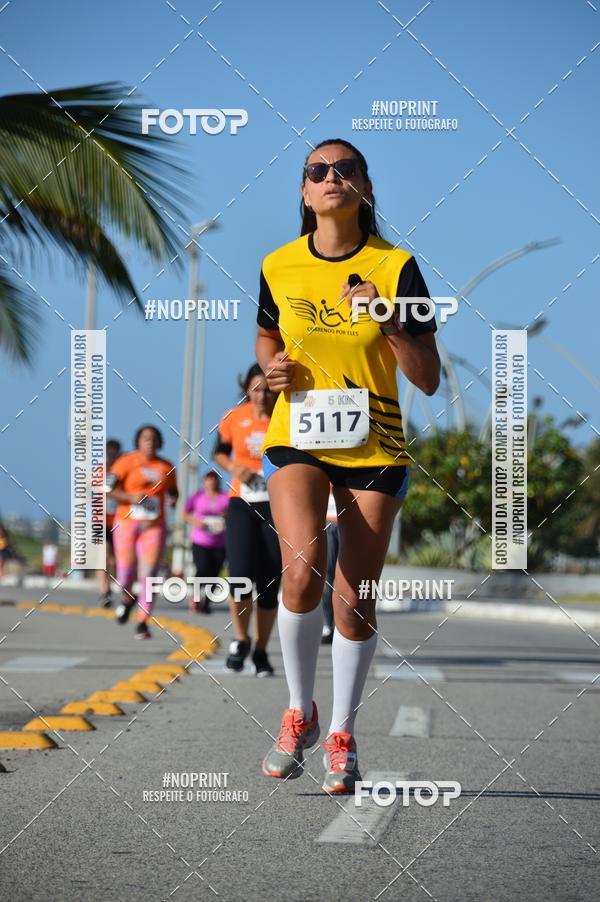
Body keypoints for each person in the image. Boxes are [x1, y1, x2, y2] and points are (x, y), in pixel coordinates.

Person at [256, 138, 440, 792]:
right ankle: (297, 711)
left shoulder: (398, 266)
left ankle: (340, 731)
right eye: (317, 171)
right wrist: (267, 373)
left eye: (345, 168)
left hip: (375, 445)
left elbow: (428, 378)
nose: (331, 177)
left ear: (363, 186)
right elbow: (268, 336)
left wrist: (388, 320)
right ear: (305, 193)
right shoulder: (279, 265)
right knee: (301, 569)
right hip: (296, 437)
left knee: (352, 601)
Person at [214, 364, 281, 676]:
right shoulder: (234, 418)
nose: (262, 395)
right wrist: (234, 468)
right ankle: (241, 638)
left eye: (268, 389)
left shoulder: (286, 416)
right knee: (240, 574)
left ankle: (262, 650)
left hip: (277, 505)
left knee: (269, 582)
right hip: (241, 502)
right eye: (256, 389)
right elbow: (219, 452)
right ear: (247, 389)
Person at [107, 425, 178, 639]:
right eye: (146, 438)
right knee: (125, 573)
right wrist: (130, 498)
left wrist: (173, 499)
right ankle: (128, 599)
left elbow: (174, 491)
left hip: (154, 526)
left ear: (160, 442)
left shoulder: (167, 466)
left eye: (154, 438)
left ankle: (142, 621)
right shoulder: (125, 462)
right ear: (137, 441)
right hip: (126, 523)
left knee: (149, 574)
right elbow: (108, 489)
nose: (150, 441)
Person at [184, 469, 229, 614]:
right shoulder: (197, 497)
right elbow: (185, 514)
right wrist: (196, 522)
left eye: (214, 480)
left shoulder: (225, 497)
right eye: (208, 480)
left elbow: (233, 515)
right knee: (202, 569)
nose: (211, 483)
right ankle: (196, 597)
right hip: (200, 541)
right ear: (204, 482)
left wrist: (226, 516)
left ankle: (206, 603)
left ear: (218, 482)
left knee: (215, 573)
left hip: (220, 542)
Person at [98, 439, 122, 607]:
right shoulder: (99, 471)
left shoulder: (122, 471)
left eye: (115, 452)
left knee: (114, 560)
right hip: (100, 520)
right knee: (103, 557)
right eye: (109, 452)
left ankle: (111, 587)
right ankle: (104, 590)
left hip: (119, 521)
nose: (112, 454)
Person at [320, 491, 338, 645]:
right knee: (328, 577)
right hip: (327, 523)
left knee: (348, 577)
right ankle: (328, 625)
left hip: (349, 521)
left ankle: (343, 626)